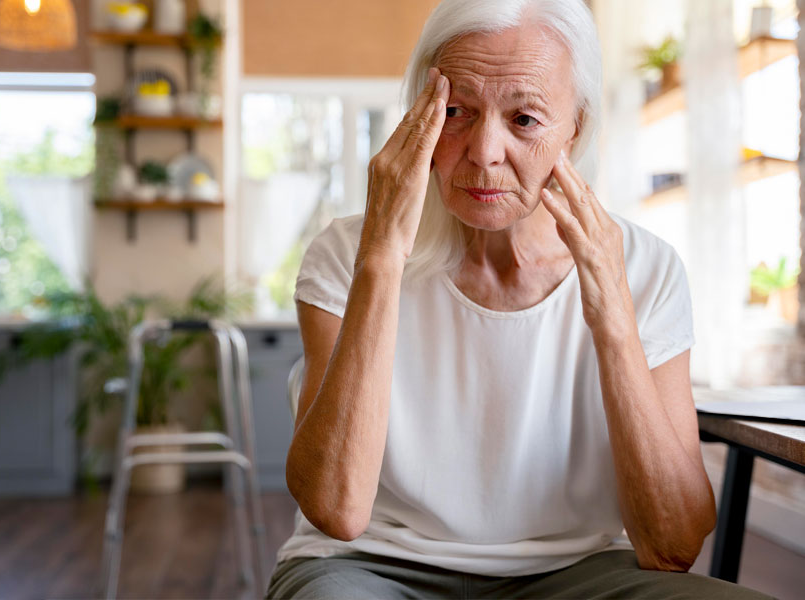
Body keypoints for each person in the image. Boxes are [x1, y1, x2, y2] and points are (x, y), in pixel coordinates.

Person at [267, 0, 772, 598]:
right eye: (455, 111)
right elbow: (337, 509)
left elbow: (674, 543)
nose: (484, 152)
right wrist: (381, 258)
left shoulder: (646, 268)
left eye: (525, 120)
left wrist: (612, 313)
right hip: (368, 564)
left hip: (578, 572)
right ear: (418, 116)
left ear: (575, 128)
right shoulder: (347, 253)